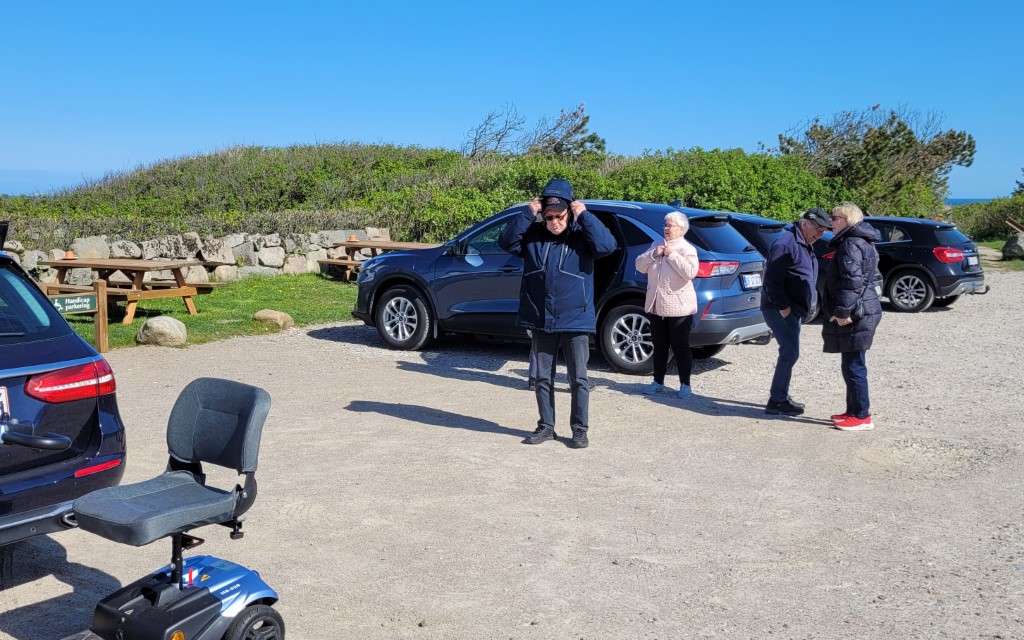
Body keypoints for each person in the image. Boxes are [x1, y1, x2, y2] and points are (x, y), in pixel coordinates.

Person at [499, 178, 617, 448]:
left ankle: (579, 429)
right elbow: (505, 242)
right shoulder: (533, 236)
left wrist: (584, 215)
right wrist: (527, 213)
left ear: (569, 212)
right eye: (549, 216)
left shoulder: (582, 236)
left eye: (559, 216)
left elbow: (606, 247)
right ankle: (546, 426)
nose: (554, 222)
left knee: (578, 379)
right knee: (542, 377)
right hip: (541, 318)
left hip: (575, 318)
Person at [760, 207, 832, 415]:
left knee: (790, 352)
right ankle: (777, 400)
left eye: (823, 230)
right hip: (781, 309)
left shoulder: (803, 242)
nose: (820, 233)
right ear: (804, 223)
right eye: (817, 228)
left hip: (793, 309)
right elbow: (771, 281)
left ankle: (780, 395)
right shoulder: (786, 244)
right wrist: (783, 307)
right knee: (789, 352)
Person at [822, 202, 883, 431]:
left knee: (854, 365)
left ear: (848, 220)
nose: (831, 222)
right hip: (865, 307)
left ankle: (861, 416)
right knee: (851, 363)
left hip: (858, 311)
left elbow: (852, 281)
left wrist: (843, 311)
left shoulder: (851, 243)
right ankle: (853, 410)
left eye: (835, 217)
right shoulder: (861, 241)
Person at [635, 211, 699, 399]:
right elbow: (639, 265)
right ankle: (658, 382)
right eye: (665, 224)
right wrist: (653, 254)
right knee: (659, 345)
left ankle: (685, 384)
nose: (666, 228)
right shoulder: (656, 244)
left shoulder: (687, 249)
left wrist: (672, 255)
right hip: (656, 304)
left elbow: (690, 272)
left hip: (679, 307)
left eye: (670, 225)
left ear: (681, 229)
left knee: (680, 346)